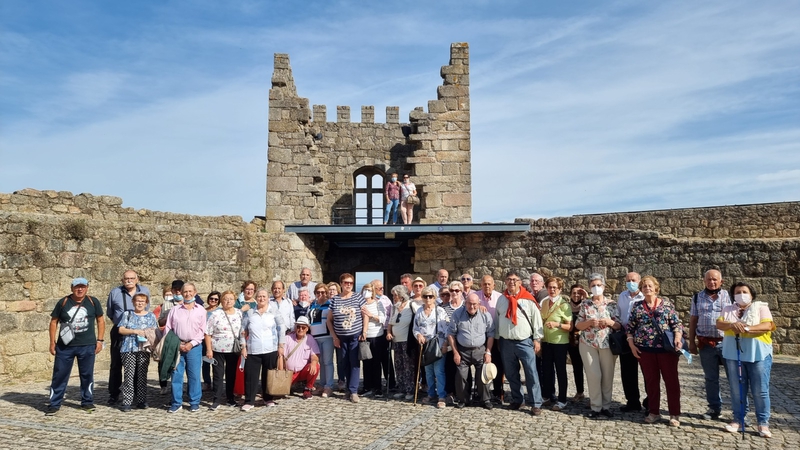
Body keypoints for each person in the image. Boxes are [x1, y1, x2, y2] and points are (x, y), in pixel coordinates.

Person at [717, 282, 776, 438]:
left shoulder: (761, 307)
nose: (741, 294)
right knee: (737, 389)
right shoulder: (728, 309)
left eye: (744, 291)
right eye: (737, 292)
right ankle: (738, 419)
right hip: (733, 354)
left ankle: (763, 423)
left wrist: (746, 328)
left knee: (760, 390)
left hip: (758, 354)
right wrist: (732, 324)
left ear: (751, 294)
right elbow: (719, 323)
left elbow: (768, 326)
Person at [626, 276, 684, 427]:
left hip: (666, 351)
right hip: (645, 350)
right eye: (644, 286)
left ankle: (674, 413)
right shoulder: (637, 307)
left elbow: (676, 324)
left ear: (656, 288)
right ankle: (654, 412)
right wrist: (632, 345)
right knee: (651, 382)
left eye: (650, 286)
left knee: (671, 382)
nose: (647, 288)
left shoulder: (666, 305)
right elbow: (630, 329)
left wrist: (678, 337)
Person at [46, 277, 105, 416]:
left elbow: (100, 321)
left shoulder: (93, 301)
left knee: (87, 375)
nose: (80, 289)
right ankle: (54, 403)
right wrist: (52, 342)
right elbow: (53, 322)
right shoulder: (63, 302)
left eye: (83, 287)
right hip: (65, 346)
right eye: (77, 287)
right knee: (60, 375)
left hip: (87, 345)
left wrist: (100, 340)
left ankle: (87, 401)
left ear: (87, 288)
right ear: (72, 288)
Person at [494, 270, 544, 415]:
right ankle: (518, 400)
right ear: (505, 282)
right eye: (509, 279)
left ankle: (536, 403)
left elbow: (536, 320)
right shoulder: (501, 299)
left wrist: (537, 339)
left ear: (520, 282)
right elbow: (497, 320)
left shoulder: (528, 299)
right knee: (511, 373)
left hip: (524, 342)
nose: (512, 282)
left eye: (515, 280)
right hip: (506, 342)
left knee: (531, 373)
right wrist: (498, 338)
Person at [575, 273, 621, 418]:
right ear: (589, 287)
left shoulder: (612, 304)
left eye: (599, 285)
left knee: (607, 376)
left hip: (607, 343)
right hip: (588, 344)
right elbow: (578, 325)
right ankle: (595, 407)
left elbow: (619, 325)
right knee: (594, 375)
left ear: (604, 287)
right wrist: (589, 323)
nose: (596, 288)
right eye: (593, 285)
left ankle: (606, 406)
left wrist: (609, 322)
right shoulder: (585, 304)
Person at [688, 269, 732, 420]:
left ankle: (740, 412)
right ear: (704, 281)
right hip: (706, 344)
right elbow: (693, 320)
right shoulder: (696, 298)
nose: (712, 282)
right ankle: (714, 408)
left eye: (715, 279)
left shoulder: (729, 296)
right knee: (710, 378)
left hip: (727, 344)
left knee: (734, 378)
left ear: (721, 281)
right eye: (709, 279)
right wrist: (691, 342)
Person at [106, 270, 150, 405]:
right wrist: (124, 326)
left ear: (137, 279)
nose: (129, 280)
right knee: (116, 363)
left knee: (139, 363)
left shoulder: (145, 291)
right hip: (120, 331)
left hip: (140, 333)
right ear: (122, 280)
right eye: (126, 278)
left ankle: (137, 393)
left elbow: (146, 309)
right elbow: (110, 312)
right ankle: (114, 394)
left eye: (132, 278)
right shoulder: (115, 292)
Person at [240, 288, 286, 410]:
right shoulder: (250, 313)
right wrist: (243, 346)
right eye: (259, 296)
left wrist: (281, 346)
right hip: (253, 349)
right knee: (250, 376)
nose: (261, 299)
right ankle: (249, 401)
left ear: (268, 298)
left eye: (264, 297)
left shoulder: (274, 312)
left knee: (268, 375)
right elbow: (243, 331)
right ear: (256, 298)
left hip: (270, 348)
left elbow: (281, 329)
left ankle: (268, 398)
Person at [164, 282, 207, 413]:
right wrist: (176, 343)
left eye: (190, 291)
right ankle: (176, 402)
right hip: (177, 346)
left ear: (195, 292)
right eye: (185, 292)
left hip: (194, 347)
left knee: (194, 375)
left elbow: (202, 330)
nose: (187, 294)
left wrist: (191, 344)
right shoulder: (175, 310)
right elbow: (168, 328)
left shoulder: (201, 310)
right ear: (181, 293)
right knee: (176, 374)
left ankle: (194, 401)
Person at [448, 293, 495, 410]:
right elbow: (451, 334)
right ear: (465, 303)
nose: (472, 306)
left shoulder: (485, 315)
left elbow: (491, 334)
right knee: (461, 375)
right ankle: (463, 399)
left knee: (483, 376)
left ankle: (485, 399)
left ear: (479, 304)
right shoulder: (457, 314)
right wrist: (455, 353)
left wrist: (488, 352)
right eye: (469, 304)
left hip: (480, 350)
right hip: (462, 350)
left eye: (475, 304)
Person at [327, 273, 368, 403]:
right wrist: (334, 337)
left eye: (351, 283)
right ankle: (348, 390)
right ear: (341, 284)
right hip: (341, 337)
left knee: (354, 363)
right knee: (344, 363)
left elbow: (365, 315)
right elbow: (329, 320)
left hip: (355, 336)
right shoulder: (335, 300)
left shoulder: (358, 297)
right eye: (346, 283)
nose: (348, 285)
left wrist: (364, 331)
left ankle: (354, 391)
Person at [117, 292, 157, 412]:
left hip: (144, 349)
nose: (140, 303)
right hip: (129, 348)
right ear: (133, 302)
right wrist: (135, 331)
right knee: (129, 375)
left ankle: (141, 400)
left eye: (142, 301)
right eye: (137, 301)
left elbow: (154, 331)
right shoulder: (127, 314)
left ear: (146, 303)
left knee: (142, 376)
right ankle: (127, 401)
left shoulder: (151, 316)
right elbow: (121, 329)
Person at [204, 290, 243, 409]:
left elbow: (243, 331)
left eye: (231, 299)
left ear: (235, 300)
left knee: (231, 374)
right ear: (222, 301)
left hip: (233, 350)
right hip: (218, 349)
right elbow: (207, 333)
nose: (228, 301)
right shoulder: (216, 314)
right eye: (226, 299)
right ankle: (216, 399)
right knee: (218, 374)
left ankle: (230, 398)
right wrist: (209, 350)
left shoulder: (239, 313)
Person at [540, 277, 573, 411]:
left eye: (555, 288)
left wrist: (557, 324)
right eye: (550, 287)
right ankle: (547, 396)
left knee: (560, 371)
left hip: (560, 342)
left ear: (559, 289)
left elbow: (570, 327)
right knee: (546, 370)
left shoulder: (564, 305)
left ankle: (562, 399)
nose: (552, 290)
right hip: (546, 341)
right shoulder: (545, 303)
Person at [413, 286, 449, 408]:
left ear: (435, 298)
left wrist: (445, 344)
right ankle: (431, 393)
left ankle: (441, 396)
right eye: (425, 296)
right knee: (428, 372)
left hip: (438, 344)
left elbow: (446, 330)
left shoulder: (440, 311)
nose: (428, 298)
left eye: (430, 296)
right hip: (425, 345)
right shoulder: (419, 311)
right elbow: (415, 328)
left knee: (439, 371)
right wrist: (418, 335)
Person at [617, 271, 646, 412]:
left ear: (639, 281)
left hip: (643, 337)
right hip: (625, 336)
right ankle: (632, 401)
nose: (631, 283)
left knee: (647, 371)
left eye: (633, 280)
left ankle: (650, 401)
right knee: (627, 371)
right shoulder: (622, 296)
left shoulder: (645, 295)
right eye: (628, 280)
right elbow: (618, 314)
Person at [387, 285, 417, 400]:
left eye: (395, 295)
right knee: (399, 365)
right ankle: (401, 388)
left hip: (407, 341)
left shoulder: (411, 305)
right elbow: (390, 322)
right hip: (396, 341)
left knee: (408, 365)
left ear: (401, 295)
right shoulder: (395, 307)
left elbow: (417, 318)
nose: (393, 297)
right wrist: (389, 332)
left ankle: (410, 390)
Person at [477, 275, 504, 402]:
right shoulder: (476, 297)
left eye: (489, 284)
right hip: (481, 337)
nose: (487, 286)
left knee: (498, 364)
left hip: (497, 336)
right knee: (481, 365)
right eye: (484, 284)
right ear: (480, 285)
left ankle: (498, 392)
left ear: (494, 285)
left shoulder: (500, 297)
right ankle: (482, 392)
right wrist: (477, 307)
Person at [360, 282, 386, 397]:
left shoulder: (377, 304)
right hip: (365, 336)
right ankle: (367, 386)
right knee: (366, 362)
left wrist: (371, 315)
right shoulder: (360, 304)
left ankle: (378, 387)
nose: (367, 292)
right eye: (365, 289)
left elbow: (383, 318)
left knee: (376, 362)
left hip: (376, 335)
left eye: (369, 290)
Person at [285, 316, 320, 400]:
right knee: (280, 392)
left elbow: (315, 355)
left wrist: (314, 362)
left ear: (307, 329)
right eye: (298, 327)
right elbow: (282, 357)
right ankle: (289, 386)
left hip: (301, 372)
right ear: (295, 327)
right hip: (288, 373)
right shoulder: (287, 338)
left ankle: (308, 389)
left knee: (316, 366)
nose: (300, 329)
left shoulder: (310, 339)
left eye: (303, 327)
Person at [308, 284, 334, 397]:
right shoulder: (312, 305)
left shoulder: (330, 304)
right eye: (318, 292)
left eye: (323, 292)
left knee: (327, 362)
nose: (320, 294)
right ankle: (322, 384)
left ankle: (328, 386)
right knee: (320, 362)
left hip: (327, 337)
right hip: (314, 338)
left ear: (327, 293)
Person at [372, 279, 396, 393]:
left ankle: (391, 382)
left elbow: (391, 315)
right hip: (374, 332)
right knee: (375, 359)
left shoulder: (386, 299)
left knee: (386, 358)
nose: (382, 290)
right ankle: (376, 384)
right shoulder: (369, 300)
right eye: (379, 288)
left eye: (382, 288)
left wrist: (390, 331)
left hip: (385, 331)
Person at [567, 284, 587, 402]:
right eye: (574, 293)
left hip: (586, 340)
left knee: (590, 369)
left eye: (579, 293)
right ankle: (580, 392)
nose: (576, 295)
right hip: (572, 341)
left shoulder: (586, 305)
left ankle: (594, 395)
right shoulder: (566, 307)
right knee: (577, 367)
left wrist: (587, 298)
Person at [202, 291, 221, 391]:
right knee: (205, 362)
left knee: (216, 363)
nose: (213, 300)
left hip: (217, 340)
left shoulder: (220, 311)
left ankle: (216, 382)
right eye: (211, 298)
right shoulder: (203, 311)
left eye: (216, 299)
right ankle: (207, 382)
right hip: (205, 339)